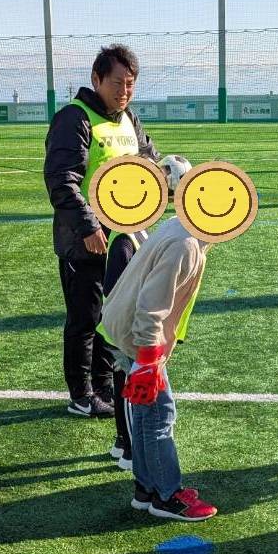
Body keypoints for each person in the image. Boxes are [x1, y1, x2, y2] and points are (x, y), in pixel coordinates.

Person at [44, 44, 160, 419]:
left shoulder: (130, 119)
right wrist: (89, 227)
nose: (124, 90)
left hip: (124, 242)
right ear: (96, 79)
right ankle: (81, 394)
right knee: (85, 319)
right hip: (85, 242)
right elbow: (62, 180)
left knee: (115, 315)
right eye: (117, 83)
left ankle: (105, 386)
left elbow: (149, 165)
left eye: (131, 84)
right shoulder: (74, 119)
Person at [99, 213, 217, 522]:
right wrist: (149, 359)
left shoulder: (182, 226)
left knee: (145, 413)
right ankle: (166, 496)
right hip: (136, 335)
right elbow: (151, 306)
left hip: (127, 328)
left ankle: (146, 488)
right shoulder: (186, 245)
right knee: (158, 414)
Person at [102, 155, 192, 473]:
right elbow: (128, 294)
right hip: (133, 335)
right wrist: (149, 353)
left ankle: (140, 473)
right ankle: (133, 456)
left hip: (139, 333)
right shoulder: (128, 239)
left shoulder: (157, 231)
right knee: (148, 409)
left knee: (144, 406)